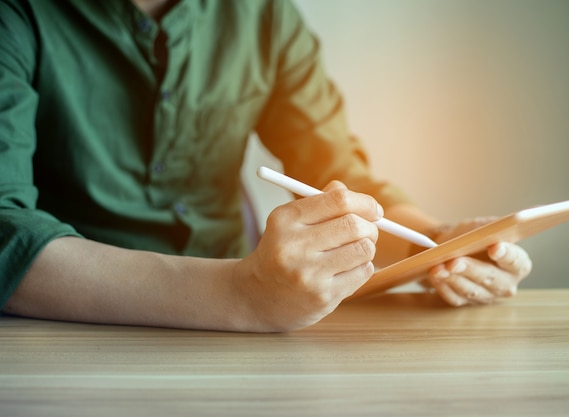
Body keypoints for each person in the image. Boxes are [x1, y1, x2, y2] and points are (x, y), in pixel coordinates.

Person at [0, 0, 532, 332]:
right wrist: (241, 297)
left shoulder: (265, 14)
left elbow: (339, 176)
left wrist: (438, 245)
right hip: (65, 331)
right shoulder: (17, 14)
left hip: (248, 335)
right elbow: (7, 234)